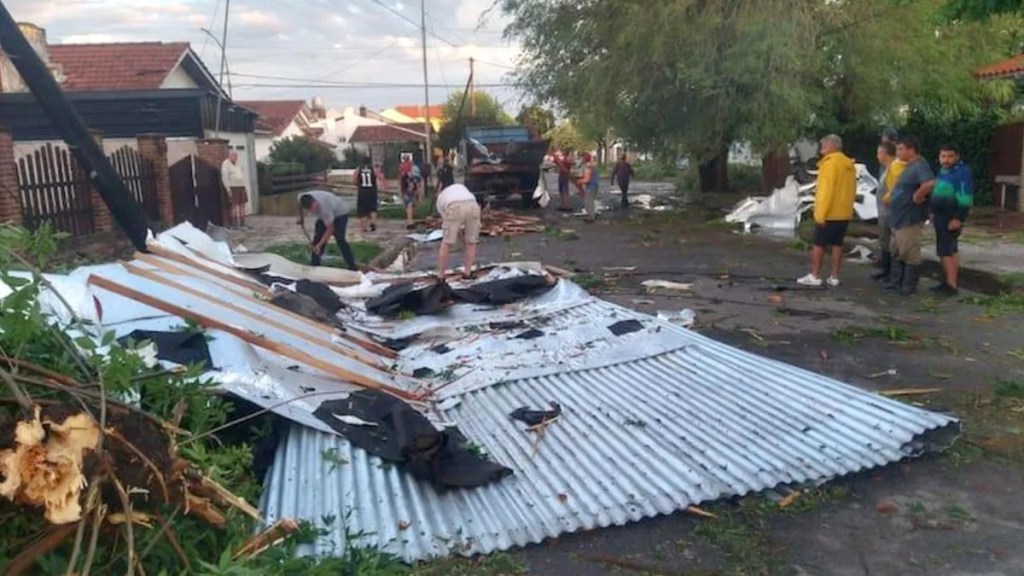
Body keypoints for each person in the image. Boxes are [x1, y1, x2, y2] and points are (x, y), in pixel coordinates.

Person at [797, 134, 857, 287]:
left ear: (832, 146)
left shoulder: (830, 164)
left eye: (824, 145)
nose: (821, 148)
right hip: (843, 212)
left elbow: (826, 191)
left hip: (829, 212)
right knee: (837, 244)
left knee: (819, 244)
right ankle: (834, 276)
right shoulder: (848, 165)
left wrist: (820, 215)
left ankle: (815, 275)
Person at [884, 135, 935, 295]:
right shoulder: (908, 166)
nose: (897, 152)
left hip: (909, 217)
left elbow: (930, 183)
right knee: (896, 249)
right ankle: (895, 281)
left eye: (900, 149)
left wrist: (918, 195)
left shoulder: (920, 165)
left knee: (909, 251)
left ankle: (908, 286)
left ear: (911, 150)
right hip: (898, 216)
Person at [922, 144, 974, 296]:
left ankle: (951, 285)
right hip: (940, 216)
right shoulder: (944, 172)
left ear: (957, 157)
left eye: (950, 156)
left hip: (950, 217)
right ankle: (950, 281)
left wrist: (958, 218)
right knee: (951, 249)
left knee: (945, 251)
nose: (946, 160)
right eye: (943, 156)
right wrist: (932, 211)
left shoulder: (962, 173)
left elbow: (965, 198)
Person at [297, 190, 357, 270]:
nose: (315, 210)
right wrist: (301, 218)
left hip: (341, 213)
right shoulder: (302, 197)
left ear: (315, 201)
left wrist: (319, 245)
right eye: (313, 209)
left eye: (316, 207)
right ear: (308, 209)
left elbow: (330, 229)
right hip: (326, 214)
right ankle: (314, 265)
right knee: (317, 238)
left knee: (340, 239)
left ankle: (352, 266)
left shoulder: (324, 209)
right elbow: (299, 205)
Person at [871, 141, 905, 282]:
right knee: (884, 242)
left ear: (885, 154)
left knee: (891, 243)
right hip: (883, 212)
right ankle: (886, 270)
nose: (877, 155)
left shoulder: (894, 168)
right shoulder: (886, 169)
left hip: (890, 212)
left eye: (879, 152)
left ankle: (892, 273)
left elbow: (895, 189)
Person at [435, 183, 482, 279]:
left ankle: (441, 276)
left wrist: (456, 234)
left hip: (454, 207)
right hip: (473, 205)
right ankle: (467, 273)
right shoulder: (461, 187)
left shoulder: (440, 199)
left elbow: (447, 220)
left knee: (446, 243)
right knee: (471, 242)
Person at [220, 150, 249, 228]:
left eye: (236, 156)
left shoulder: (239, 163)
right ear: (229, 156)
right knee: (234, 206)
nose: (235, 157)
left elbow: (242, 173)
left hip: (241, 186)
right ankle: (234, 224)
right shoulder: (225, 164)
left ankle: (242, 223)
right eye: (233, 155)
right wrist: (228, 189)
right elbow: (225, 177)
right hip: (233, 187)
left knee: (242, 205)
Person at [354, 157, 379, 234]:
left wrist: (358, 184)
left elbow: (354, 180)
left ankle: (364, 227)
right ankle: (373, 222)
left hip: (362, 192)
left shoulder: (359, 169)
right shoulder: (373, 169)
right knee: (373, 208)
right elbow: (379, 177)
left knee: (363, 211)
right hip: (372, 191)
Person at [577, 152, 599, 222]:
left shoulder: (587, 167)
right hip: (595, 185)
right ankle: (591, 216)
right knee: (590, 201)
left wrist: (579, 181)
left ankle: (591, 217)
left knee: (588, 202)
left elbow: (587, 179)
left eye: (582, 157)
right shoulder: (593, 166)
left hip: (590, 187)